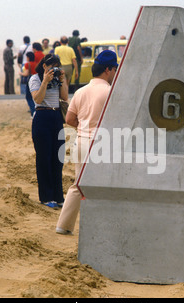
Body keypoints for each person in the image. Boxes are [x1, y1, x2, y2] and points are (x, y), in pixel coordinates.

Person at [56, 50, 118, 235]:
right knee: (104, 186)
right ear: (108, 70)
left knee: (78, 185)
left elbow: (69, 119)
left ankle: (63, 225)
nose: (115, 73)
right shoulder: (110, 92)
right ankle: (100, 228)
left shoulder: (81, 91)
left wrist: (83, 128)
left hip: (81, 142)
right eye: (114, 69)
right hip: (101, 143)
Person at [29, 54, 68, 208]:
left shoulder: (58, 78)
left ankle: (58, 196)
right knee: (44, 158)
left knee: (58, 159)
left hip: (56, 116)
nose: (54, 69)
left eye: (56, 66)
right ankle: (46, 197)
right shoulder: (35, 78)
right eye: (51, 66)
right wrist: (45, 81)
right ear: (44, 66)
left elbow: (64, 97)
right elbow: (37, 99)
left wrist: (62, 79)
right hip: (42, 117)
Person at [20, 51, 38, 116]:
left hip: (30, 80)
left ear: (28, 57)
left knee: (28, 96)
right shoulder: (36, 64)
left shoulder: (28, 64)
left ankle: (33, 111)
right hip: (36, 80)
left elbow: (26, 74)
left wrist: (21, 73)